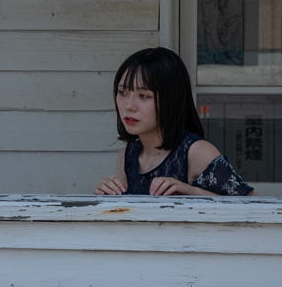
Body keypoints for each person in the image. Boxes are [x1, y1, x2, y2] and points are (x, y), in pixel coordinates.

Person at [94, 47, 254, 197]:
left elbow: (254, 204)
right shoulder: (126, 156)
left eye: (143, 95)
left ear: (171, 99)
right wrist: (106, 197)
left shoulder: (196, 152)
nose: (128, 105)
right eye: (122, 92)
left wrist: (191, 192)